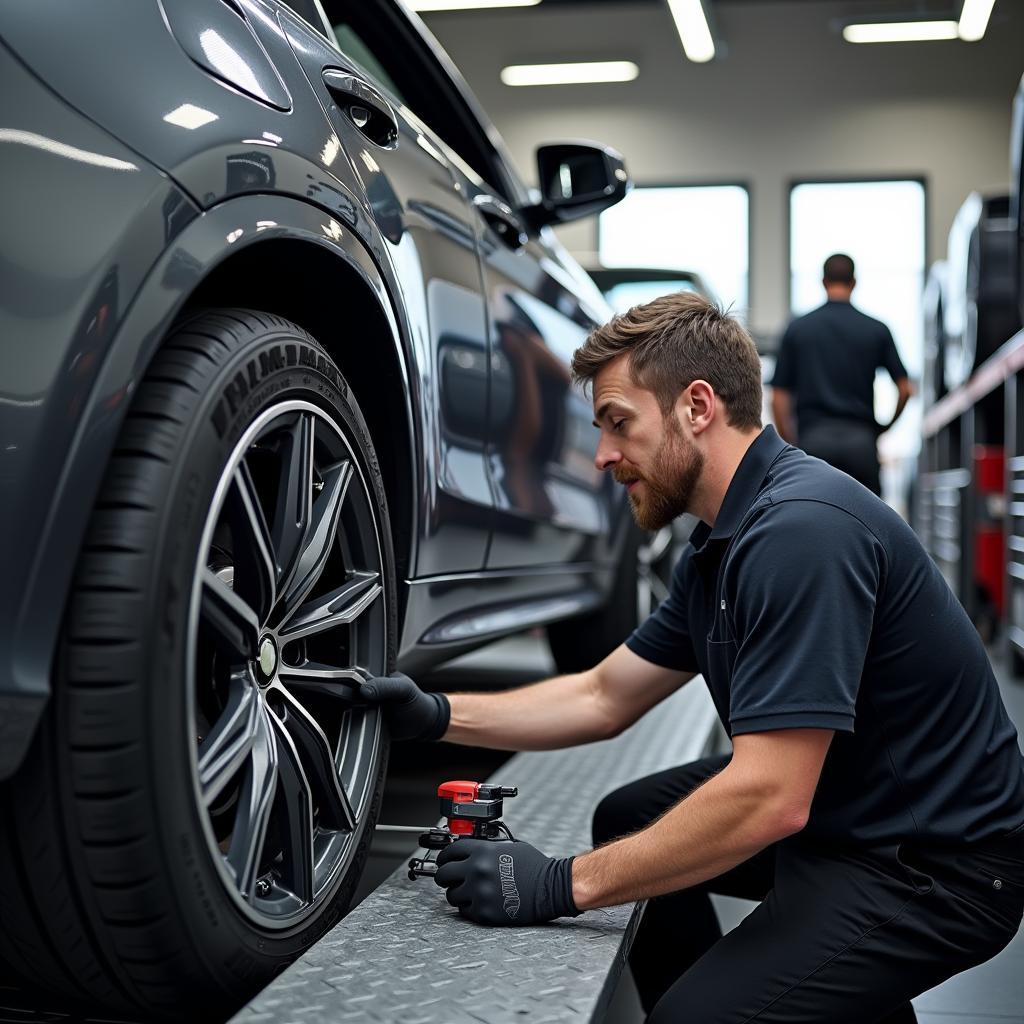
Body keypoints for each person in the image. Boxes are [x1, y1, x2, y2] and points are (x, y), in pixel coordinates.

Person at [364, 292, 1024, 1023]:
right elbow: (602, 696)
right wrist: (434, 715)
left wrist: (557, 884)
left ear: (697, 406)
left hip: (931, 864)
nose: (605, 455)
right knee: (630, 814)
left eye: (619, 423)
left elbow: (772, 797)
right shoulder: (721, 543)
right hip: (850, 805)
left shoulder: (801, 533)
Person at [770, 253, 915, 495]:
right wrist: (883, 428)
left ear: (824, 281)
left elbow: (778, 397)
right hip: (861, 442)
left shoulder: (798, 329)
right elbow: (904, 388)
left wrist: (793, 443)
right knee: (867, 524)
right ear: (854, 282)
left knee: (812, 520)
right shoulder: (876, 329)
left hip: (813, 443)